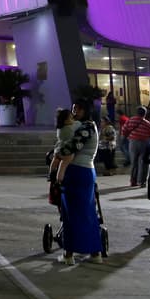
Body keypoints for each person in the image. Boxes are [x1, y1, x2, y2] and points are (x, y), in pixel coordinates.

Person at [52, 102, 103, 264]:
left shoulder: (86, 127)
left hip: (77, 172)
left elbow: (71, 147)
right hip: (85, 172)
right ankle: (95, 252)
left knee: (71, 214)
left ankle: (69, 254)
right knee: (87, 212)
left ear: (86, 110)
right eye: (74, 108)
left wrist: (57, 154)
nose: (75, 111)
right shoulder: (86, 126)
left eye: (79, 108)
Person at [122, 107, 150, 187]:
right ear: (145, 114)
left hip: (133, 143)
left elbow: (124, 129)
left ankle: (133, 181)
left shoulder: (130, 120)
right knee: (143, 163)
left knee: (134, 163)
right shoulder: (148, 123)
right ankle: (141, 181)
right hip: (144, 143)